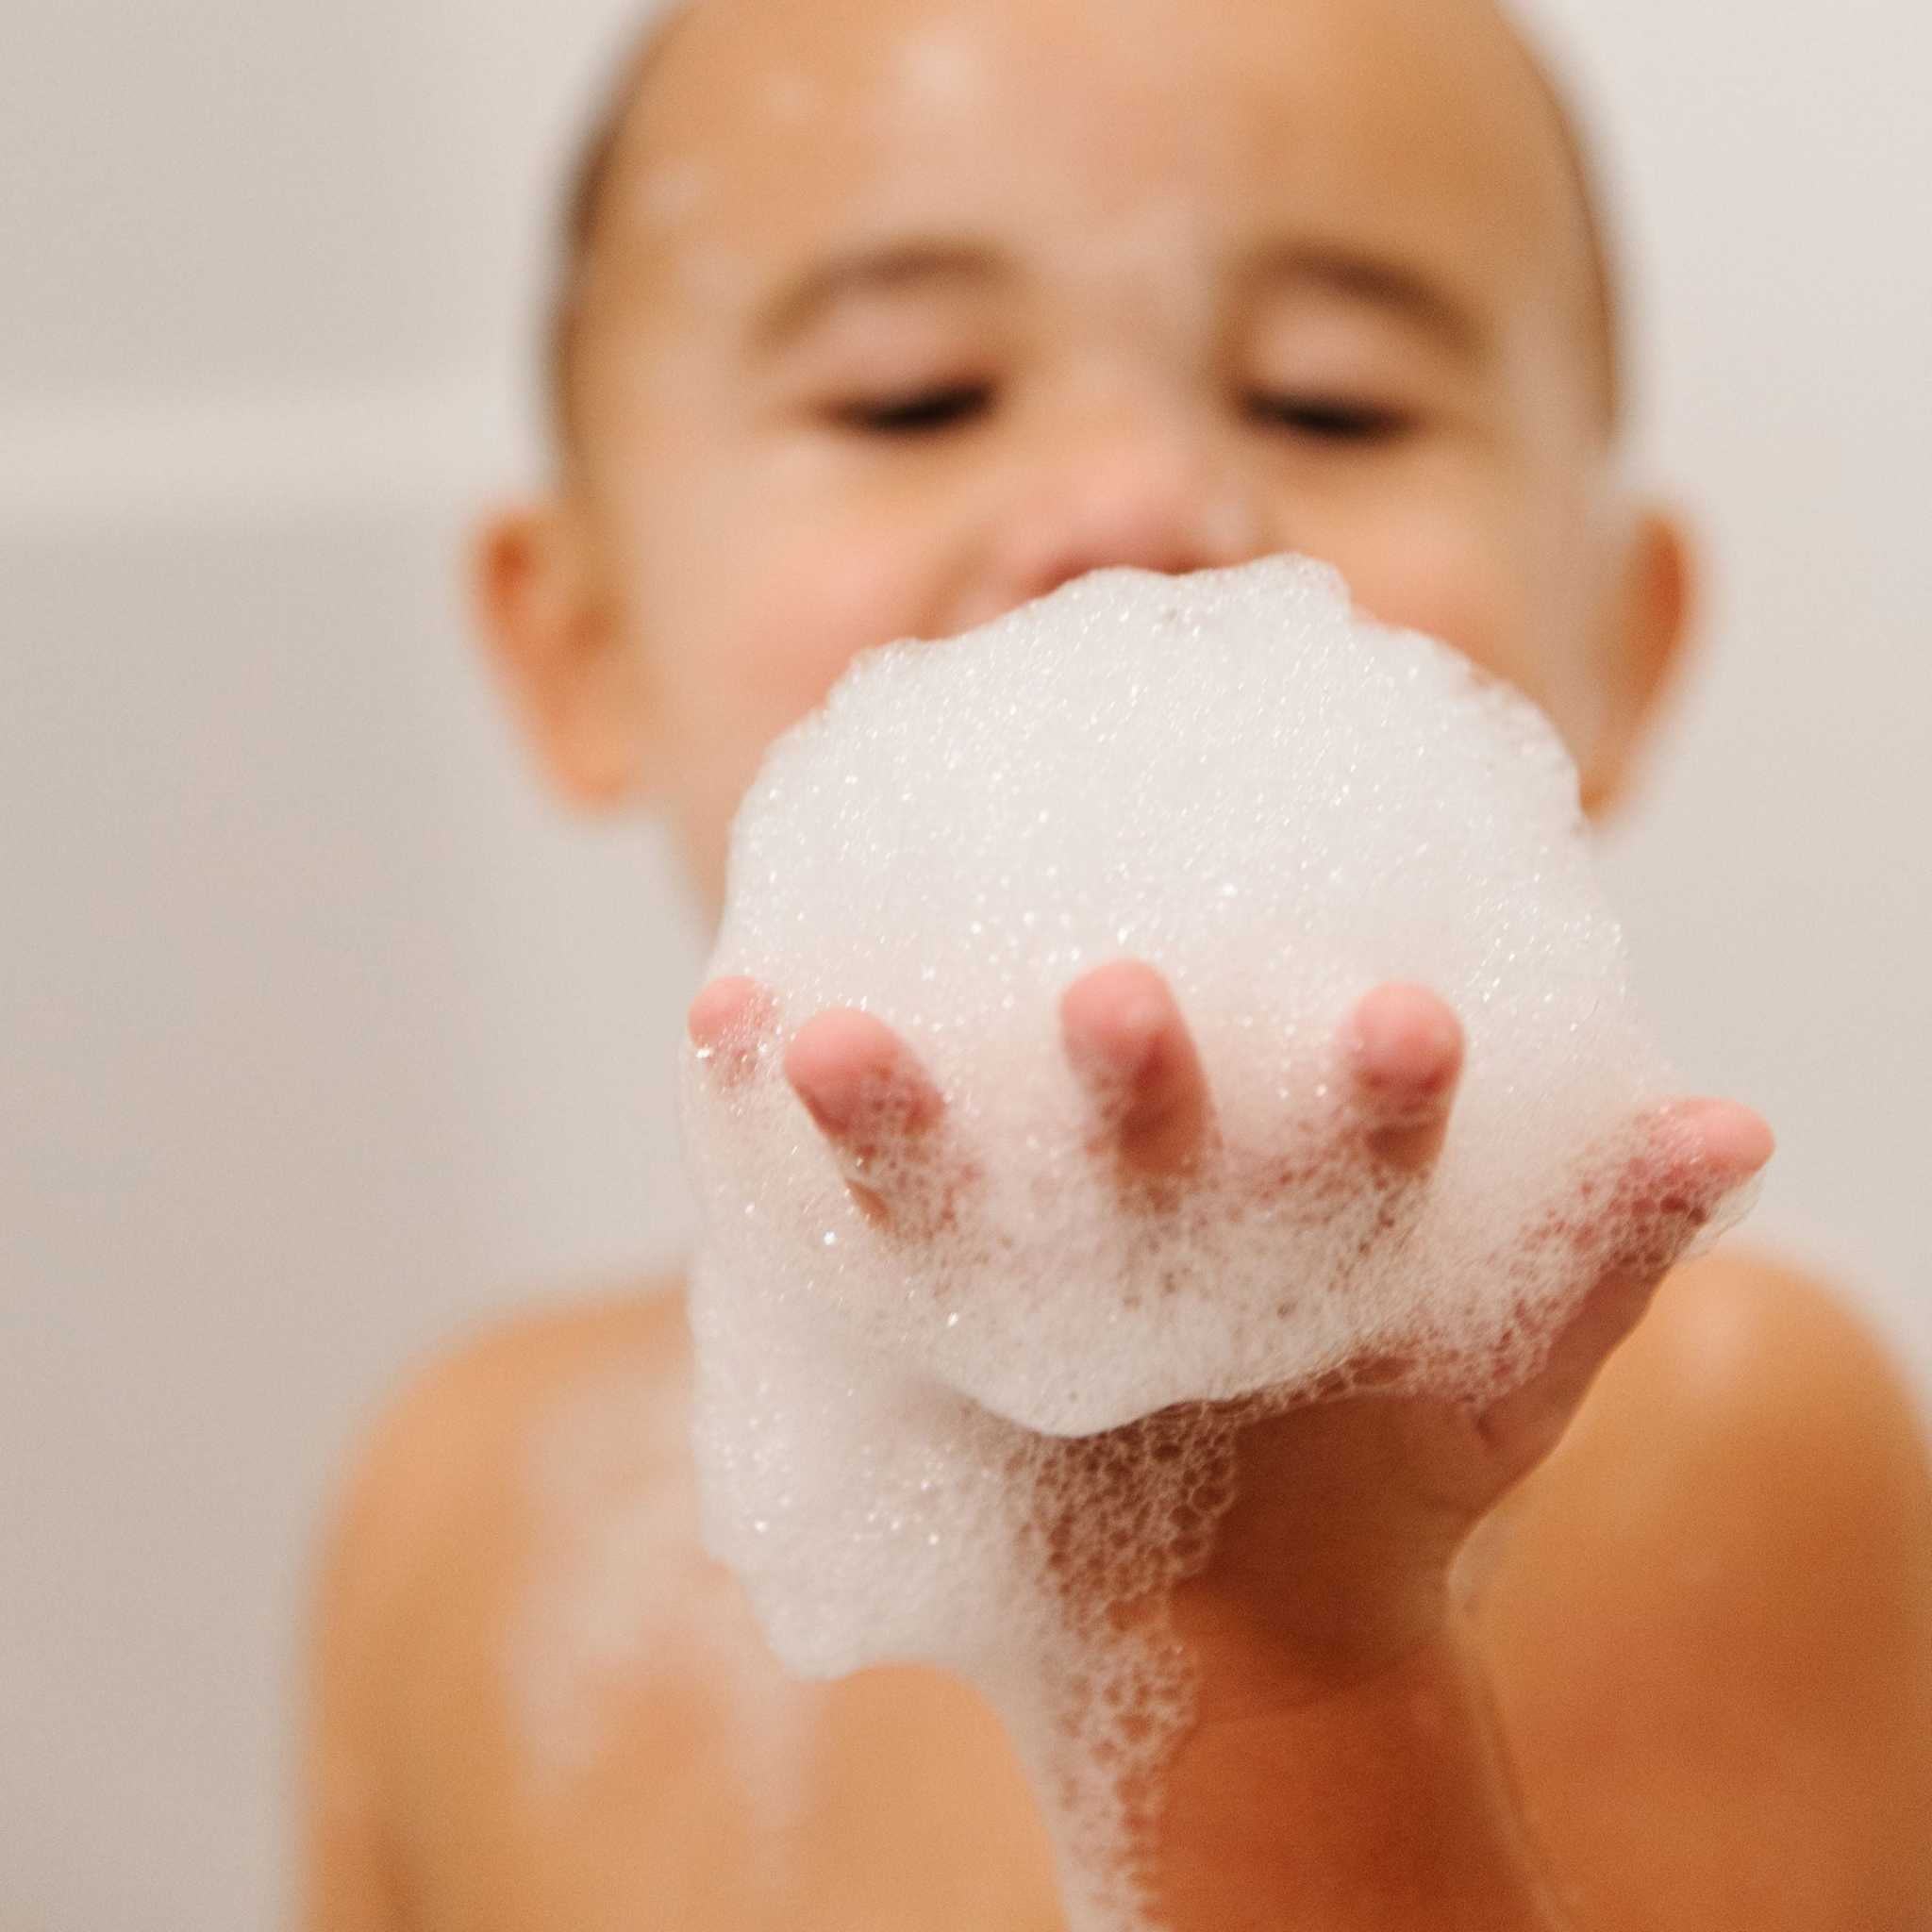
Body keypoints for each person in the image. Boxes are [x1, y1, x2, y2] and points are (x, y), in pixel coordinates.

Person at [301, 0, 1932, 1924]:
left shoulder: (1723, 1435)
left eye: (1331, 401)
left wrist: (1287, 1636)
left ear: (1620, 651)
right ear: (578, 644)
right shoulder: (468, 1506)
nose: (1132, 507)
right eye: (913, 396)